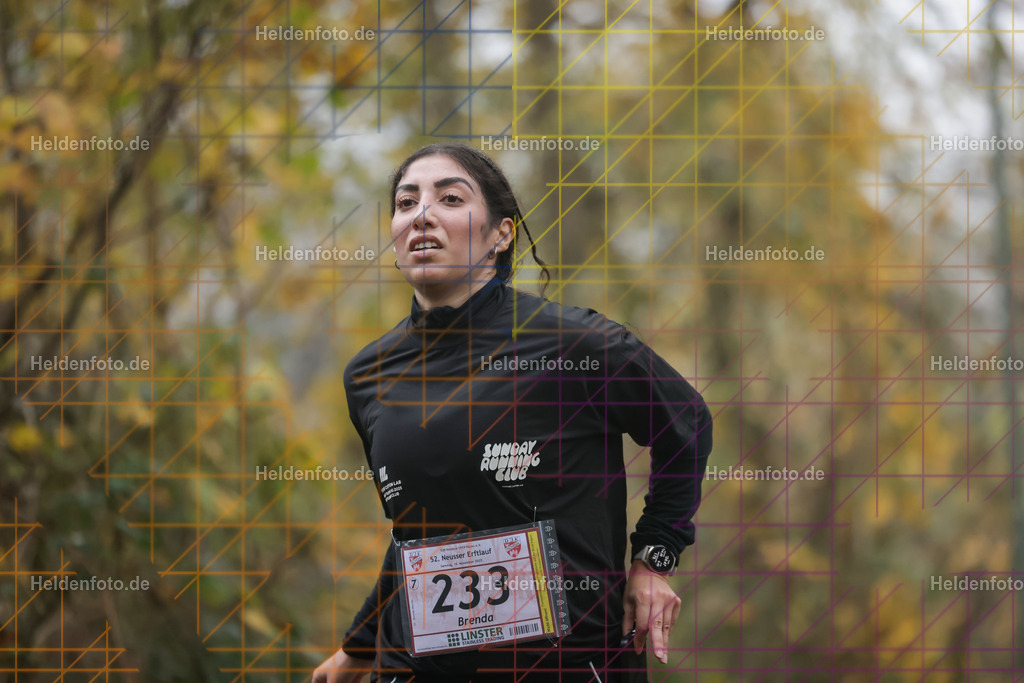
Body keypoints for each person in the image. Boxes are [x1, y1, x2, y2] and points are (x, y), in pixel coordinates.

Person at [313, 143, 713, 683]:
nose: (422, 214)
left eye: (450, 198)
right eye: (406, 203)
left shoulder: (576, 344)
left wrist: (653, 559)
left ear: (501, 235)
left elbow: (686, 426)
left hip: (570, 665)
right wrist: (359, 648)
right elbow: (416, 533)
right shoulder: (368, 376)